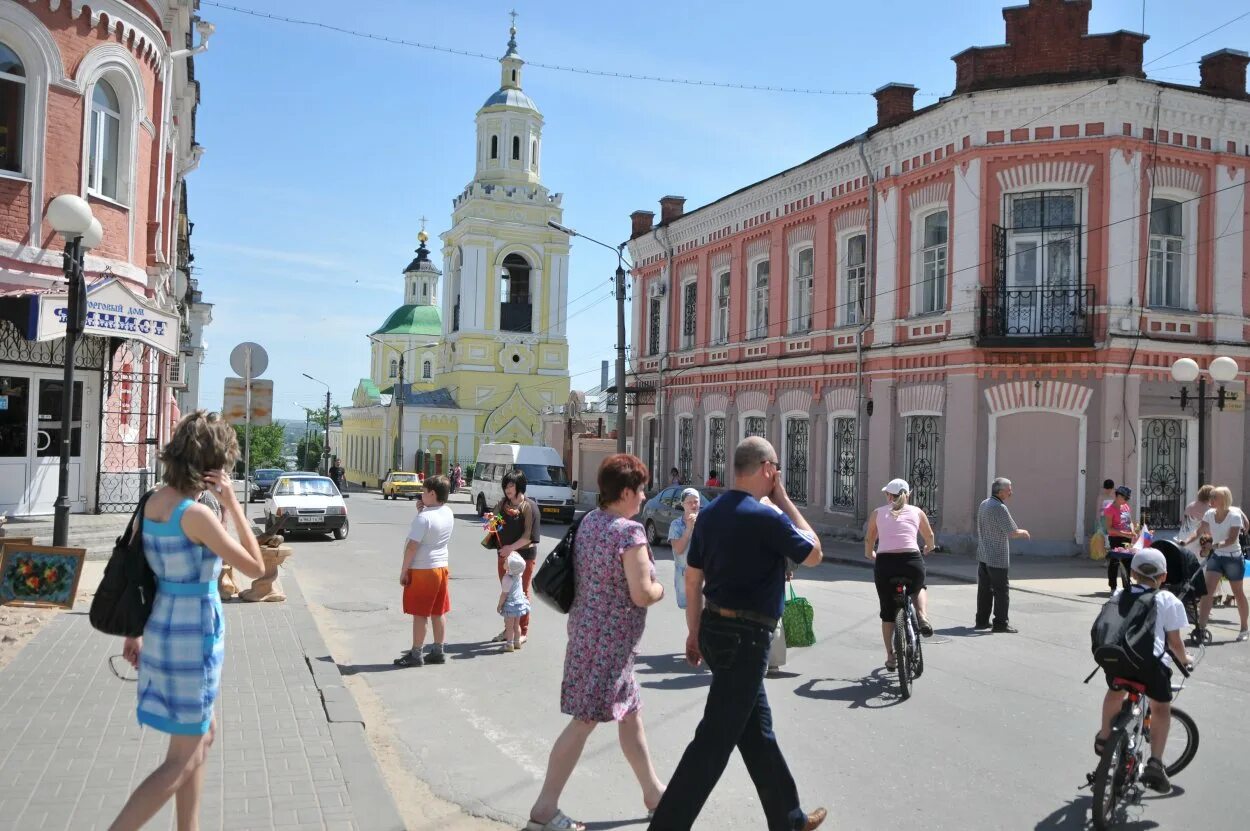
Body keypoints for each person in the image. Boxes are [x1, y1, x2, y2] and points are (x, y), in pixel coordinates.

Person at [648, 437, 827, 831]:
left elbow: (693, 580)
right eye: (776, 468)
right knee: (712, 742)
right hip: (746, 639)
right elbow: (814, 553)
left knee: (757, 732)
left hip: (715, 629)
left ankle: (789, 819)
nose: (778, 474)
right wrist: (783, 499)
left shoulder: (710, 515)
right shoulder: (768, 517)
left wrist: (693, 632)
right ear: (766, 469)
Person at [109, 412, 266, 831]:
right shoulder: (196, 515)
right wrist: (232, 501)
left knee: (203, 734)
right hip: (193, 634)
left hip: (161, 626)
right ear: (214, 464)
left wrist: (133, 631)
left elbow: (137, 572)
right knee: (184, 756)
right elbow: (254, 567)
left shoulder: (153, 501)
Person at [527, 454, 665, 831]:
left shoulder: (590, 521)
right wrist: (660, 589)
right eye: (640, 489)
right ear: (624, 492)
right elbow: (641, 593)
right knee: (584, 721)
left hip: (588, 633)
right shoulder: (628, 533)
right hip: (610, 645)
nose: (643, 496)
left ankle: (654, 795)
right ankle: (544, 808)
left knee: (630, 715)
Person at [1094, 548, 1193, 794]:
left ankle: (1105, 737)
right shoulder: (1168, 600)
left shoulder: (1119, 592)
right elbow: (1174, 643)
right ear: (1164, 575)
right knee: (1160, 708)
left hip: (1118, 661)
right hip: (1149, 667)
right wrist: (1186, 659)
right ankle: (1156, 763)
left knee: (1115, 692)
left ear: (1134, 573)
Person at [864, 478, 937, 670]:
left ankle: (891, 657)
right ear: (908, 495)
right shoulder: (917, 512)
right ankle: (922, 616)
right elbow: (928, 536)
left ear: (888, 495)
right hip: (911, 561)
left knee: (887, 614)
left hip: (885, 564)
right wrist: (929, 547)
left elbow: (870, 537)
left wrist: (869, 553)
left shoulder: (878, 513)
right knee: (918, 587)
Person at [394, 475, 455, 667]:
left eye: (424, 491)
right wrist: (423, 510)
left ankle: (416, 653)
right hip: (441, 567)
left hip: (423, 570)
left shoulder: (424, 518)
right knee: (439, 611)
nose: (421, 494)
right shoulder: (447, 512)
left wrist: (404, 571)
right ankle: (438, 650)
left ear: (432, 493)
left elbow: (413, 546)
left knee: (420, 613)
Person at [1182, 485, 1249, 642]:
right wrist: (1185, 542)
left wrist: (1214, 546)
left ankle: (1244, 628)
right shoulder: (1209, 514)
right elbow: (1199, 533)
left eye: (1214, 498)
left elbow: (1232, 540)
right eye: (1210, 497)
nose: (1211, 500)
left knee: (1237, 592)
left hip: (1233, 557)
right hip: (1217, 557)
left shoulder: (1234, 516)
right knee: (1207, 592)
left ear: (1223, 500)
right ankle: (1201, 628)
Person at [485, 469, 538, 644]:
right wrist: (491, 520)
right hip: (505, 556)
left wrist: (510, 548)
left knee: (521, 593)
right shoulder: (502, 505)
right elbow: (495, 525)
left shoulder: (529, 507)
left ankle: (522, 631)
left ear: (519, 486)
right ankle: (509, 629)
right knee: (507, 592)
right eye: (506, 485)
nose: (508, 489)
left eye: (511, 485)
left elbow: (529, 536)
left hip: (524, 557)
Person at [975, 477, 1030, 633]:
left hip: (984, 554)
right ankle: (1000, 623)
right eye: (1009, 489)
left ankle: (981, 621)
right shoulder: (999, 507)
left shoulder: (984, 504)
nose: (1011, 492)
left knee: (985, 590)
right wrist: (1024, 532)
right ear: (1000, 491)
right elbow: (1012, 532)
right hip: (997, 556)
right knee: (1001, 591)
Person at [666, 487, 702, 609]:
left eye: (696, 501)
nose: (693, 505)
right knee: (690, 610)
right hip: (684, 576)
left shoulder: (705, 522)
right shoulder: (676, 525)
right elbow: (678, 550)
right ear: (682, 504)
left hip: (704, 575)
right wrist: (688, 529)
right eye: (689, 502)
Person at [1103, 485, 1136, 592]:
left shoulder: (1125, 506)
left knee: (1127, 562)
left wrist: (1132, 530)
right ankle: (1113, 587)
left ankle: (1126, 586)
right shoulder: (1109, 509)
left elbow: (1129, 521)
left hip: (1127, 539)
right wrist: (1124, 534)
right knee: (1114, 563)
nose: (1126, 500)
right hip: (1116, 539)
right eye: (1125, 498)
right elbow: (1109, 529)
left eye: (1127, 499)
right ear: (1118, 496)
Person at [498, 552, 531, 652]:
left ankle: (509, 645)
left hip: (510, 605)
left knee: (509, 627)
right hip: (519, 604)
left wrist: (499, 605)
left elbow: (504, 594)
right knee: (516, 625)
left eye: (506, 562)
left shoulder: (506, 578)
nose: (504, 561)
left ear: (509, 568)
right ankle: (517, 642)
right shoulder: (518, 576)